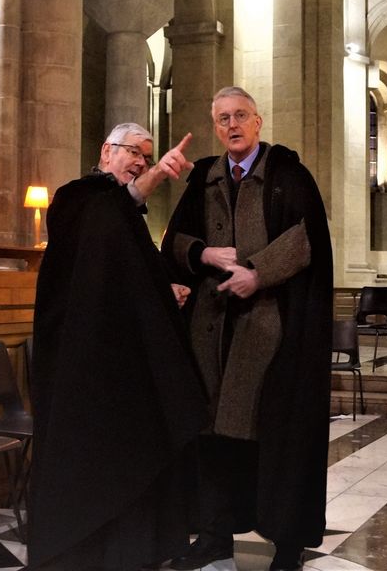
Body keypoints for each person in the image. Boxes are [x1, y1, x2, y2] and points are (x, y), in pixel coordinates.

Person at [161, 87, 334, 571]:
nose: (232, 126)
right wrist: (204, 254)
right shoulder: (204, 177)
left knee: (273, 437)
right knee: (214, 436)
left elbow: (306, 240)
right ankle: (216, 534)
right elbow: (173, 241)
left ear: (258, 122)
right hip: (211, 334)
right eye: (222, 119)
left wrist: (257, 273)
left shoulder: (288, 174)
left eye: (240, 116)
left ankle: (285, 542)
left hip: (271, 332)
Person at [29, 123, 207, 570]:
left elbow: (123, 278)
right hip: (83, 366)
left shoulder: (124, 216)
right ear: (106, 150)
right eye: (134, 153)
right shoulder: (77, 198)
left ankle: (136, 550)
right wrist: (156, 178)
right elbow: (102, 231)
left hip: (121, 363)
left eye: (147, 158)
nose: (140, 163)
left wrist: (161, 290)